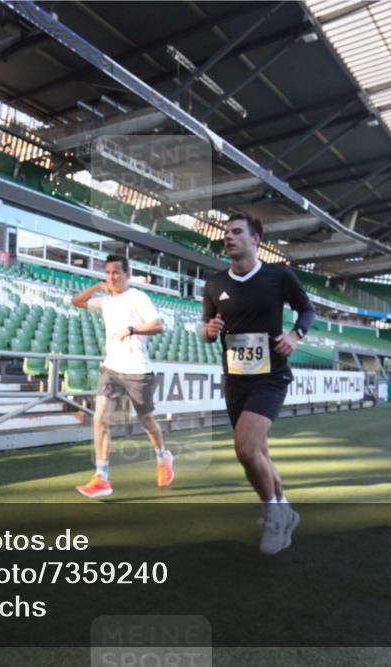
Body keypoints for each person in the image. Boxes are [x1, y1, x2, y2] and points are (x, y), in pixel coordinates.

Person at [199, 213, 316, 555]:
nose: (228, 237)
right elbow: (206, 330)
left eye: (237, 232)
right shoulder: (214, 284)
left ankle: (274, 517)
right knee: (259, 453)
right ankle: (285, 510)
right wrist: (208, 331)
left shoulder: (279, 276)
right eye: (226, 233)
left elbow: (307, 310)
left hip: (271, 377)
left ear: (255, 240)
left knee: (246, 449)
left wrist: (295, 335)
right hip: (235, 380)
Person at [71, 254, 173, 498]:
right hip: (111, 369)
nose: (111, 277)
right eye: (107, 273)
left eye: (116, 272)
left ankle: (163, 457)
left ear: (127, 274)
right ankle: (102, 478)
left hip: (138, 370)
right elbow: (76, 301)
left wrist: (132, 330)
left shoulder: (138, 297)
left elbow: (158, 326)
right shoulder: (105, 301)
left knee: (147, 422)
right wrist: (97, 286)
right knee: (100, 419)